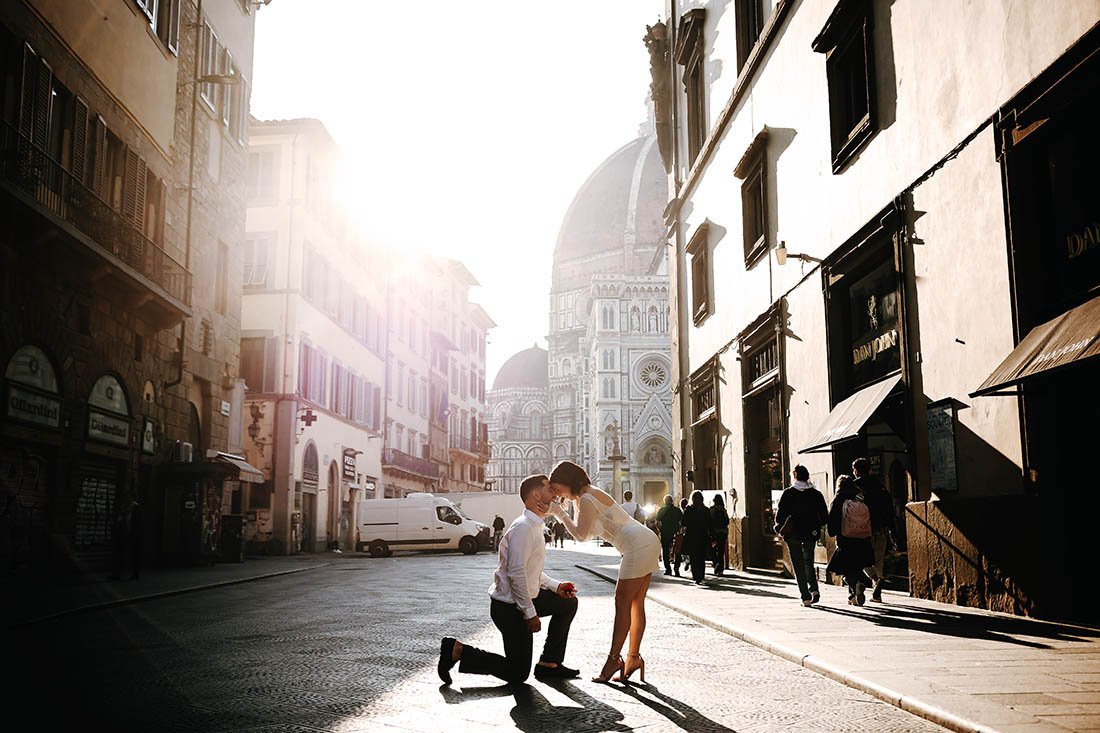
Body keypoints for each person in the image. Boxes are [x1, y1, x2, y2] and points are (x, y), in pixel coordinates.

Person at [438, 474, 580, 685]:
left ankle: (550, 663)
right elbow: (516, 574)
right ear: (534, 494)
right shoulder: (524, 528)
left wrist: (556, 586)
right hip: (510, 608)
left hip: (524, 600)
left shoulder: (534, 525)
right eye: (549, 489)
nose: (554, 494)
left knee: (568, 602)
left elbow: (530, 572)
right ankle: (458, 650)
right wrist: (530, 614)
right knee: (517, 673)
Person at [546, 460, 661, 684]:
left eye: (557, 486)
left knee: (622, 603)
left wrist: (559, 513)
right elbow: (587, 534)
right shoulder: (586, 496)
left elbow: (580, 535)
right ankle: (633, 658)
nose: (557, 492)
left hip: (637, 545)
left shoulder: (587, 499)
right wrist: (564, 509)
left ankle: (614, 660)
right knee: (636, 603)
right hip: (645, 540)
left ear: (567, 480)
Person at [774, 465, 829, 606]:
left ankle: (805, 597)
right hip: (811, 534)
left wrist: (780, 528)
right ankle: (814, 590)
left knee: (798, 565)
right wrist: (815, 525)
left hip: (793, 535)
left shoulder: (788, 493)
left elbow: (780, 516)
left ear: (795, 476)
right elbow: (824, 517)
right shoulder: (816, 494)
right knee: (808, 562)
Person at [826, 474, 875, 606]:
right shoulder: (859, 497)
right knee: (857, 565)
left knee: (847, 568)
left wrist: (832, 532)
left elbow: (833, 519)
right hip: (862, 537)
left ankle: (856, 584)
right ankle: (852, 596)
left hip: (845, 538)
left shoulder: (838, 499)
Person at [852, 457, 895, 602]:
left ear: (856, 471)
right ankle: (878, 591)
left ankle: (876, 579)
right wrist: (892, 529)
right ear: (869, 469)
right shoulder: (880, 485)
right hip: (882, 527)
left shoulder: (855, 486)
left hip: (864, 528)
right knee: (878, 561)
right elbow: (890, 507)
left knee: (862, 559)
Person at [681, 491, 710, 585]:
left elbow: (684, 522)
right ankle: (701, 576)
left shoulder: (689, 509)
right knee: (701, 557)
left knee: (694, 557)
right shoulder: (705, 510)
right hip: (702, 536)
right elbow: (710, 523)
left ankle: (696, 576)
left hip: (692, 536)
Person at [110, 496, 142, 580]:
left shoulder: (136, 508)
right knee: (120, 554)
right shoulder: (125, 508)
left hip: (132, 535)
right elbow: (121, 519)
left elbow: (138, 523)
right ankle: (116, 574)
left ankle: (135, 574)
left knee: (133, 555)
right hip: (124, 534)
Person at [654, 495, 683, 576]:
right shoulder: (677, 510)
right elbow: (681, 522)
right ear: (672, 501)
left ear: (665, 501)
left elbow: (657, 522)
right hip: (675, 533)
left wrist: (660, 530)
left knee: (665, 551)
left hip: (665, 533)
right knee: (677, 551)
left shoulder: (662, 510)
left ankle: (668, 569)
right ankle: (676, 568)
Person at [709, 494, 730, 577]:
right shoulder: (723, 510)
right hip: (723, 532)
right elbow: (727, 521)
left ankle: (715, 564)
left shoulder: (712, 509)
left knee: (713, 549)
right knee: (721, 551)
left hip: (714, 533)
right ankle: (720, 568)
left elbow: (709, 521)